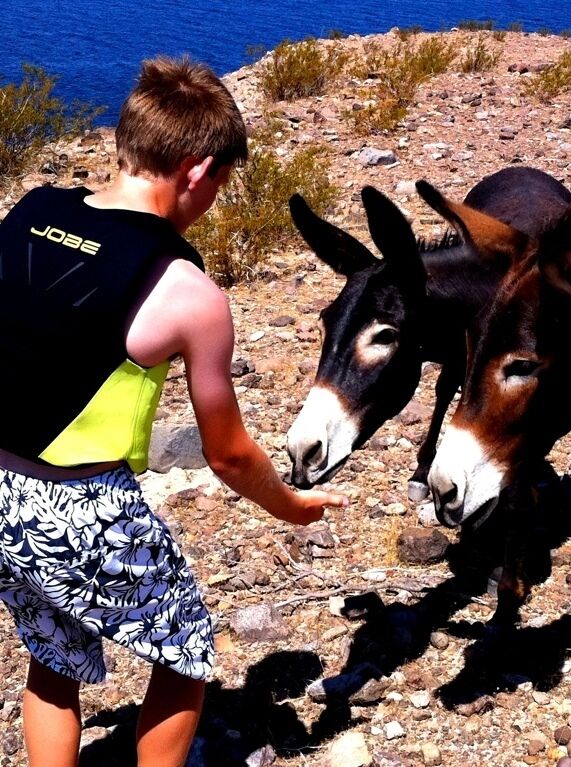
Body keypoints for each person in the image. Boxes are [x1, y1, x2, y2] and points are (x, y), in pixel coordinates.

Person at [0, 56, 348, 767]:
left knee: (55, 654)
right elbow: (227, 454)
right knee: (185, 647)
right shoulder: (188, 292)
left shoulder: (32, 210)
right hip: (78, 505)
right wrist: (290, 506)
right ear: (197, 171)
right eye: (218, 184)